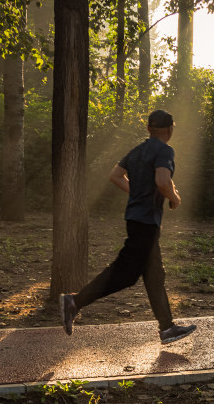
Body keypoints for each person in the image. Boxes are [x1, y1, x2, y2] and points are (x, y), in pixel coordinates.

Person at [60, 110, 197, 344]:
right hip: (146, 223)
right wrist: (174, 198)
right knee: (126, 274)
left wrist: (137, 192)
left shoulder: (137, 151)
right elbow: (162, 181)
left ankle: (167, 327)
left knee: (154, 275)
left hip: (135, 219)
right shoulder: (165, 150)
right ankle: (75, 301)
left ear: (148, 129)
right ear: (170, 130)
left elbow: (115, 175)